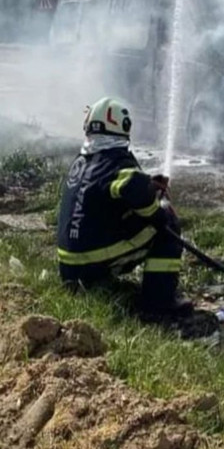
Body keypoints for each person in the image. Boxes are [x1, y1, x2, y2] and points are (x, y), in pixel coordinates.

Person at [56, 96, 193, 321]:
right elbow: (132, 188)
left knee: (152, 220)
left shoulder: (83, 161)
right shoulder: (117, 161)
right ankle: (158, 304)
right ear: (123, 126)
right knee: (168, 225)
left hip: (70, 268)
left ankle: (103, 284)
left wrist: (147, 184)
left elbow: (114, 188)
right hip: (90, 265)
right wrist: (159, 214)